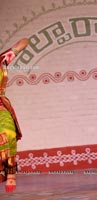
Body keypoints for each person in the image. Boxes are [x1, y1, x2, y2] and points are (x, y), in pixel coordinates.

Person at [0, 38, 29, 192]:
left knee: (9, 134)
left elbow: (25, 41)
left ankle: (10, 171)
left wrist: (15, 49)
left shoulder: (2, 60)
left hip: (1, 107)